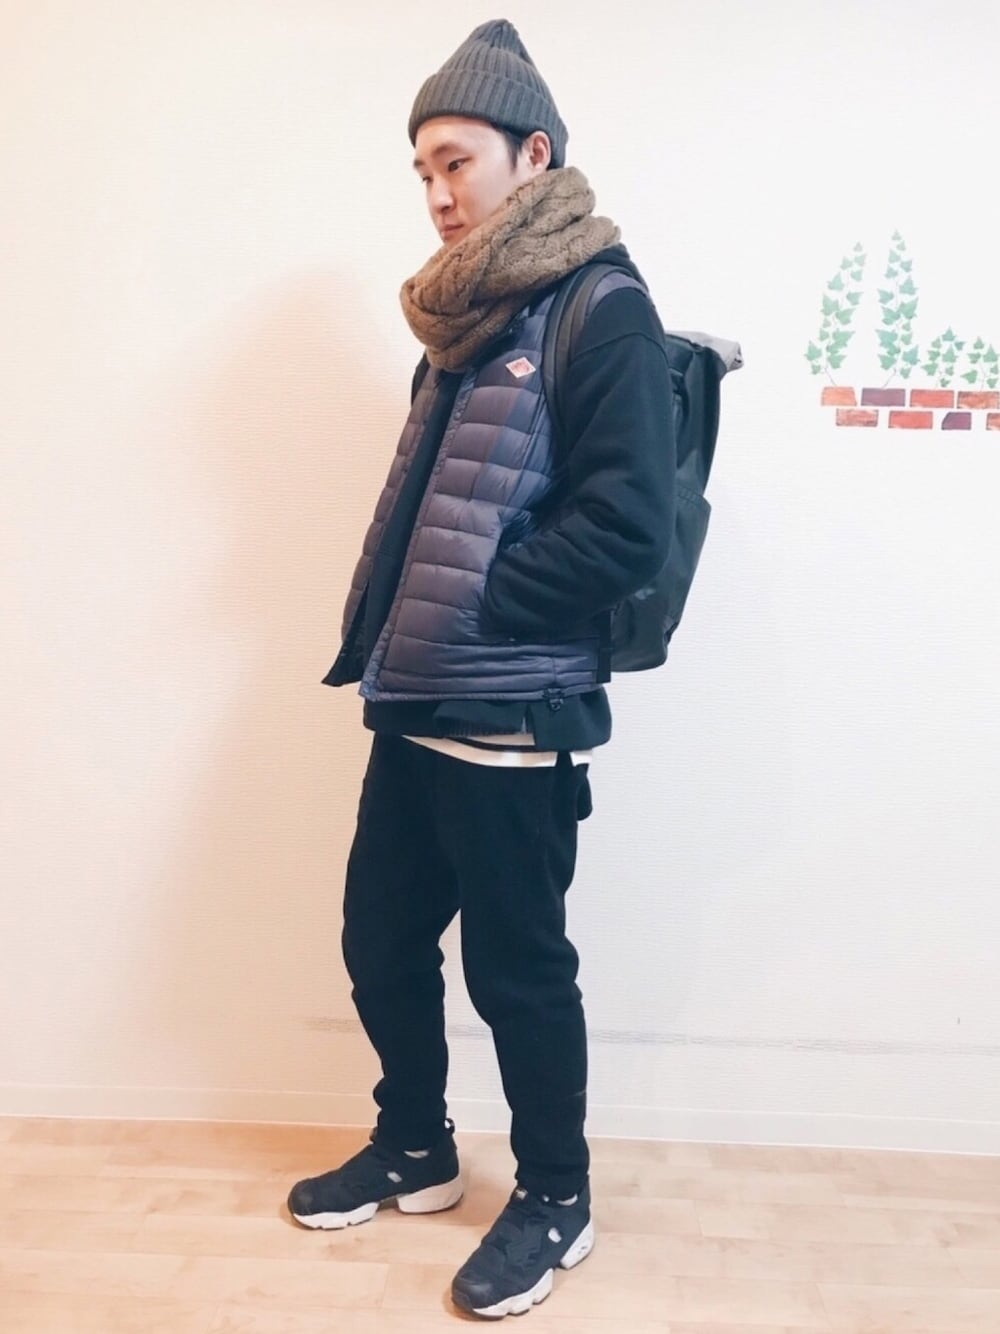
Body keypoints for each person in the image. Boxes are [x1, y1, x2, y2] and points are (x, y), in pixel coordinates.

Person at [288, 17, 675, 1320]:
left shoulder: (603, 310)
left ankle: (557, 1193)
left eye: (457, 160)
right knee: (379, 936)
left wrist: (487, 604)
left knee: (518, 972)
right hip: (418, 700)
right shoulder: (464, 321)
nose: (439, 192)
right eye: (423, 171)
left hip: (514, 710)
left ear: (534, 154)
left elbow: (628, 527)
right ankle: (416, 1144)